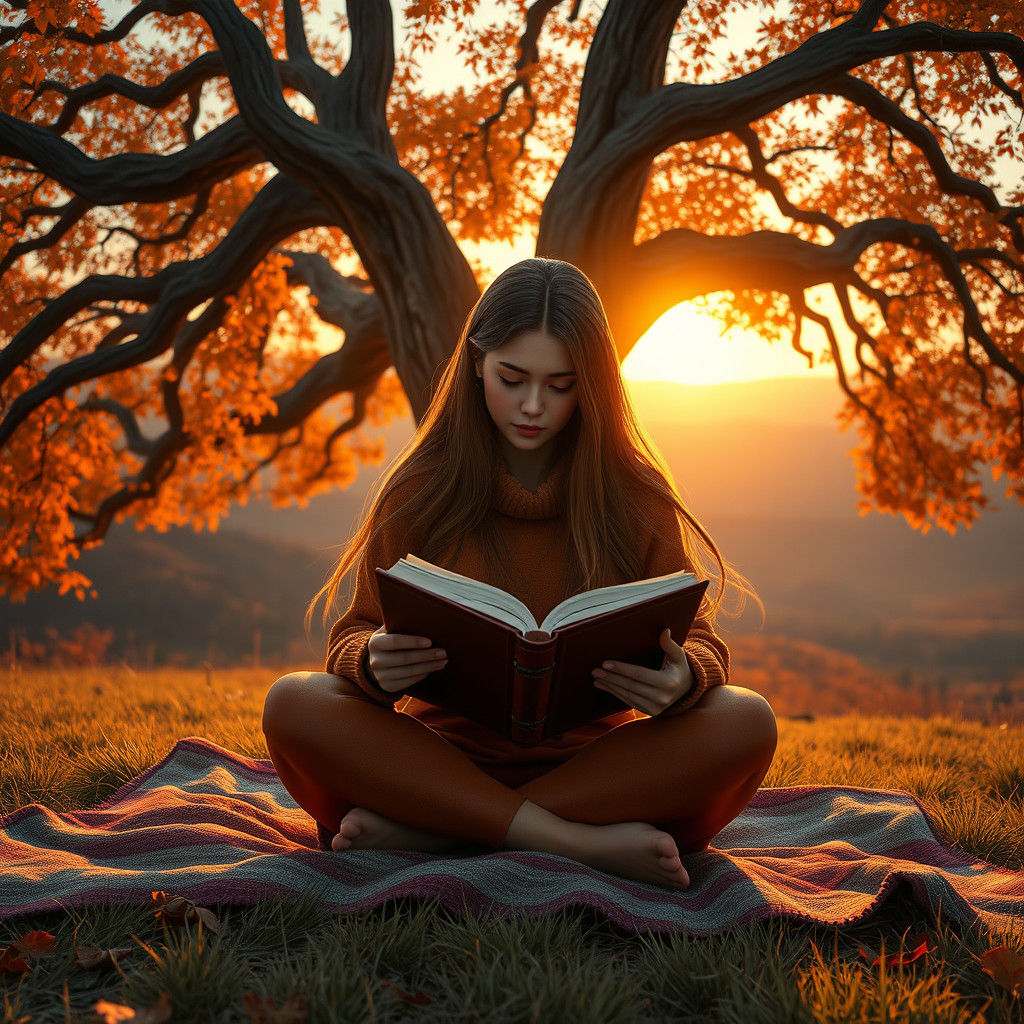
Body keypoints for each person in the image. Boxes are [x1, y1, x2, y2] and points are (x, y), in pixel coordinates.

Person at [262, 258, 776, 892]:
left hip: (600, 771)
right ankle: (566, 842)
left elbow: (700, 639)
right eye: (513, 378)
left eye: (562, 385)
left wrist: (686, 677)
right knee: (293, 702)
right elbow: (356, 631)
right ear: (476, 364)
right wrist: (370, 663)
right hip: (435, 762)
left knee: (747, 719)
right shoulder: (418, 491)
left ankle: (445, 833)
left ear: (593, 386)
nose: (534, 406)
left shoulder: (635, 495)